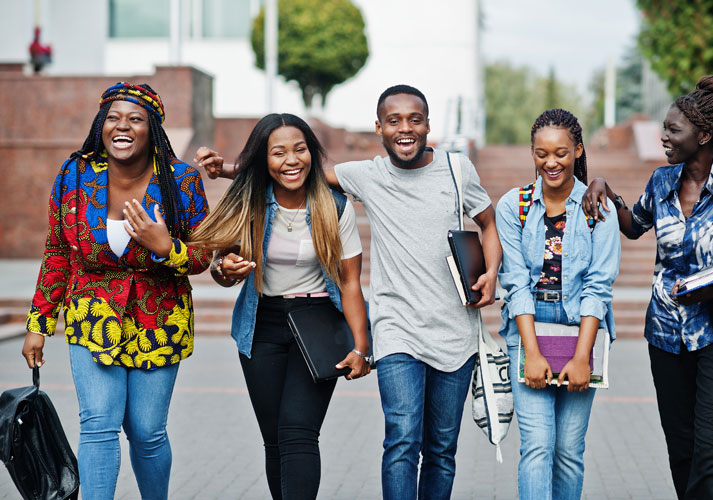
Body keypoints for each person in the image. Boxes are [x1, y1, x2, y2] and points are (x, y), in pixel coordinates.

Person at [197, 85, 502, 500]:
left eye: (415, 120)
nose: (405, 128)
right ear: (378, 127)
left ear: (429, 125)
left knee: (439, 450)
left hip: (443, 329)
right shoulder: (364, 175)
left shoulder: (453, 171)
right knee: (396, 439)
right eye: (394, 120)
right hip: (387, 328)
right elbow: (286, 173)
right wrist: (229, 171)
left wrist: (492, 271)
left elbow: (487, 223)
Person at [21, 82, 210, 500]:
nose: (122, 126)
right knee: (98, 424)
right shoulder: (74, 175)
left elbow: (202, 257)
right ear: (101, 125)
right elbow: (57, 251)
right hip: (93, 317)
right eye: (113, 118)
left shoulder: (182, 181)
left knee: (147, 432)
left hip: (158, 320)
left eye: (135, 119)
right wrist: (38, 323)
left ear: (153, 128)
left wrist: (166, 247)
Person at [582, 75, 713, 500]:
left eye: (672, 130)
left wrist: (711, 288)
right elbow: (633, 226)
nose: (663, 136)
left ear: (703, 135)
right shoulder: (662, 182)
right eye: (664, 127)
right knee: (681, 450)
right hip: (665, 334)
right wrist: (605, 189)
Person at [189, 113, 370, 499]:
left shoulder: (335, 207)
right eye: (278, 152)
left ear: (312, 153)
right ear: (263, 160)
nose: (292, 160)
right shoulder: (248, 202)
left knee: (298, 433)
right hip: (262, 324)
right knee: (274, 439)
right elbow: (219, 268)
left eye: (300, 149)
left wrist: (361, 346)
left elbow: (350, 281)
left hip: (318, 324)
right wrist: (227, 268)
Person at [495, 109, 620, 499]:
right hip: (529, 327)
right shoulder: (513, 206)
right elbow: (514, 283)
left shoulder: (599, 207)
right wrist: (531, 352)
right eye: (542, 153)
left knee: (568, 451)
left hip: (583, 327)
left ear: (578, 150)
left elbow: (598, 287)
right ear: (532, 153)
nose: (551, 162)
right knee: (537, 445)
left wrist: (582, 357)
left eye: (562, 153)